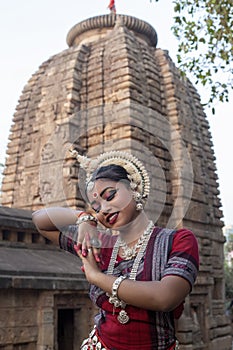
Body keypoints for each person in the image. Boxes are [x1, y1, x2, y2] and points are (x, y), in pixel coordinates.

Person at [32, 150, 199, 350]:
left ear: (134, 188)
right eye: (96, 206)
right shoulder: (99, 245)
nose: (103, 209)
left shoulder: (178, 240)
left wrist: (96, 277)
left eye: (110, 195)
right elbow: (40, 220)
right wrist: (83, 217)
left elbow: (164, 298)